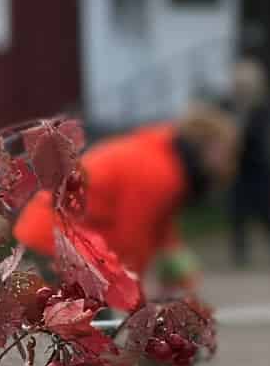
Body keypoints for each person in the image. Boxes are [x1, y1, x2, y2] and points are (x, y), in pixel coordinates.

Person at [13, 106, 240, 284]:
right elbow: (132, 239)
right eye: (227, 153)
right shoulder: (161, 171)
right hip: (54, 234)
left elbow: (159, 227)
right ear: (208, 145)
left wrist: (174, 260)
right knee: (97, 331)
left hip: (52, 229)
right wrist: (137, 301)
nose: (231, 163)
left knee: (97, 329)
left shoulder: (165, 159)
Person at [225, 58, 270, 267]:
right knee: (237, 212)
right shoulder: (231, 107)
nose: (240, 89)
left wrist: (239, 136)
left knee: (266, 212)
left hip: (258, 169)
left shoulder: (262, 109)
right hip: (238, 169)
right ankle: (239, 253)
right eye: (238, 85)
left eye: (245, 85)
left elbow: (257, 138)